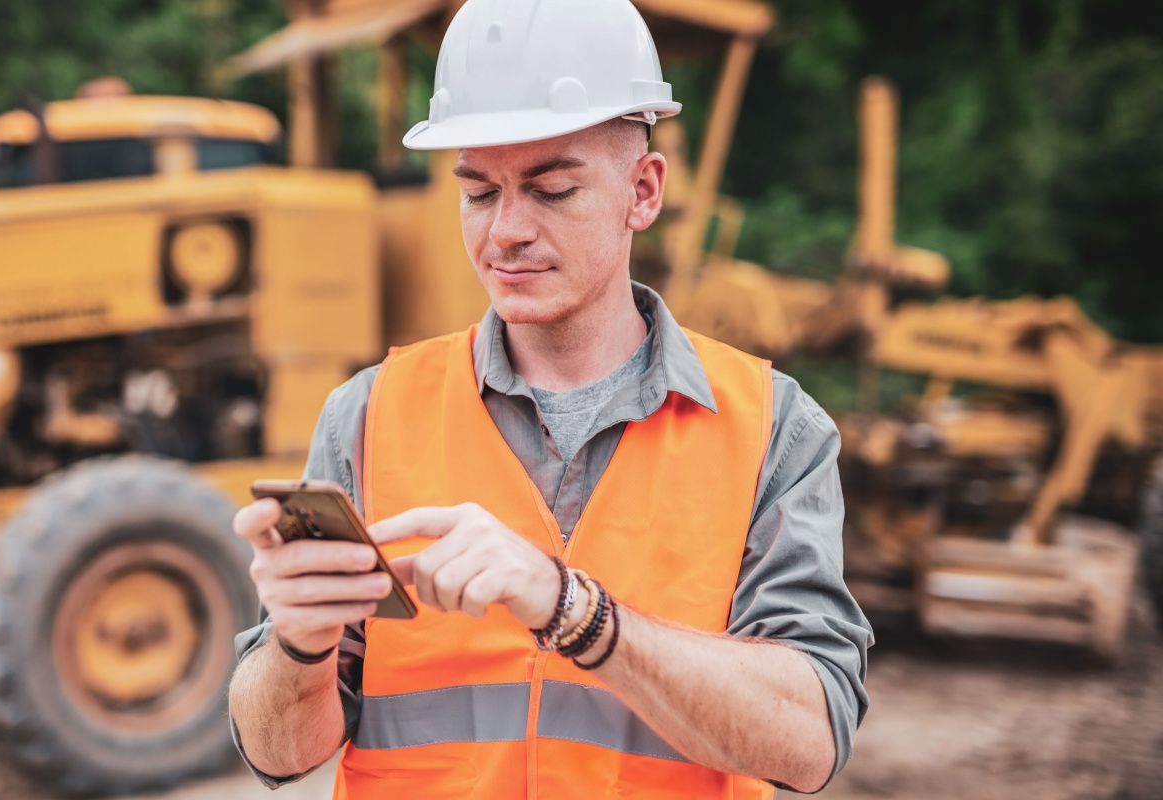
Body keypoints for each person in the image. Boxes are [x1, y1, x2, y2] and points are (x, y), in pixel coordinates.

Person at [228, 0, 872, 795]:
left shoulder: (773, 428)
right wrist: (297, 642)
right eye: (478, 192)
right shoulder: (368, 415)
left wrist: (574, 610)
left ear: (643, 190)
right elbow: (278, 755)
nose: (505, 232)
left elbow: (809, 740)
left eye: (552, 190)